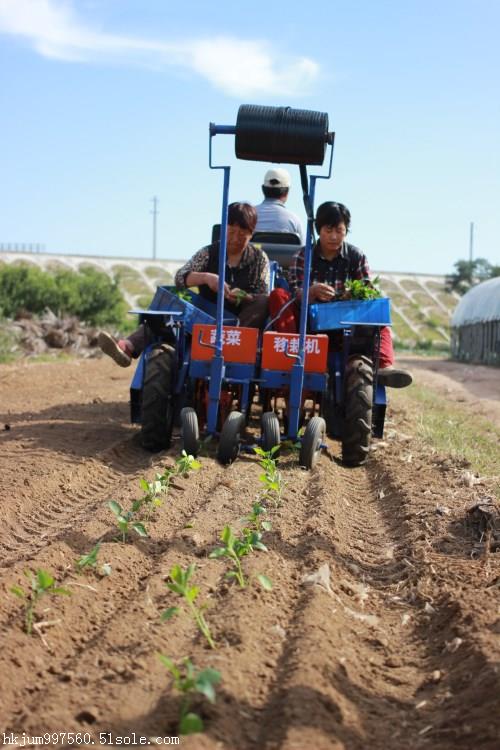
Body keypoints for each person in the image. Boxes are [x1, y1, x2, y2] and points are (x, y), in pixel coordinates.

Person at [98, 202, 270, 367]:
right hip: (205, 315)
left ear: (251, 234)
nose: (234, 239)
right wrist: (207, 278)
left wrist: (243, 297)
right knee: (169, 303)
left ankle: (234, 347)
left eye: (242, 235)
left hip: (238, 324)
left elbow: (262, 295)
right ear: (223, 228)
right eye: (231, 232)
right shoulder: (208, 253)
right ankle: (128, 346)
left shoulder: (259, 259)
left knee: (264, 302)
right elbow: (180, 277)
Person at [268, 201, 412, 388]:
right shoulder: (303, 256)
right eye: (328, 231)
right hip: (312, 322)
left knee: (379, 316)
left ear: (346, 230)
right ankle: (292, 356)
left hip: (347, 322)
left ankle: (384, 368)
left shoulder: (355, 256)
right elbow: (295, 291)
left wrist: (353, 294)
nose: (334, 237)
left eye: (339, 231)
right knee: (279, 296)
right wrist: (311, 292)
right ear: (319, 230)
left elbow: (368, 289)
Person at [255, 168, 305, 243]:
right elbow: (303, 251)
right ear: (287, 192)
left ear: (263, 189)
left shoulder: (248, 216)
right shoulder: (294, 221)